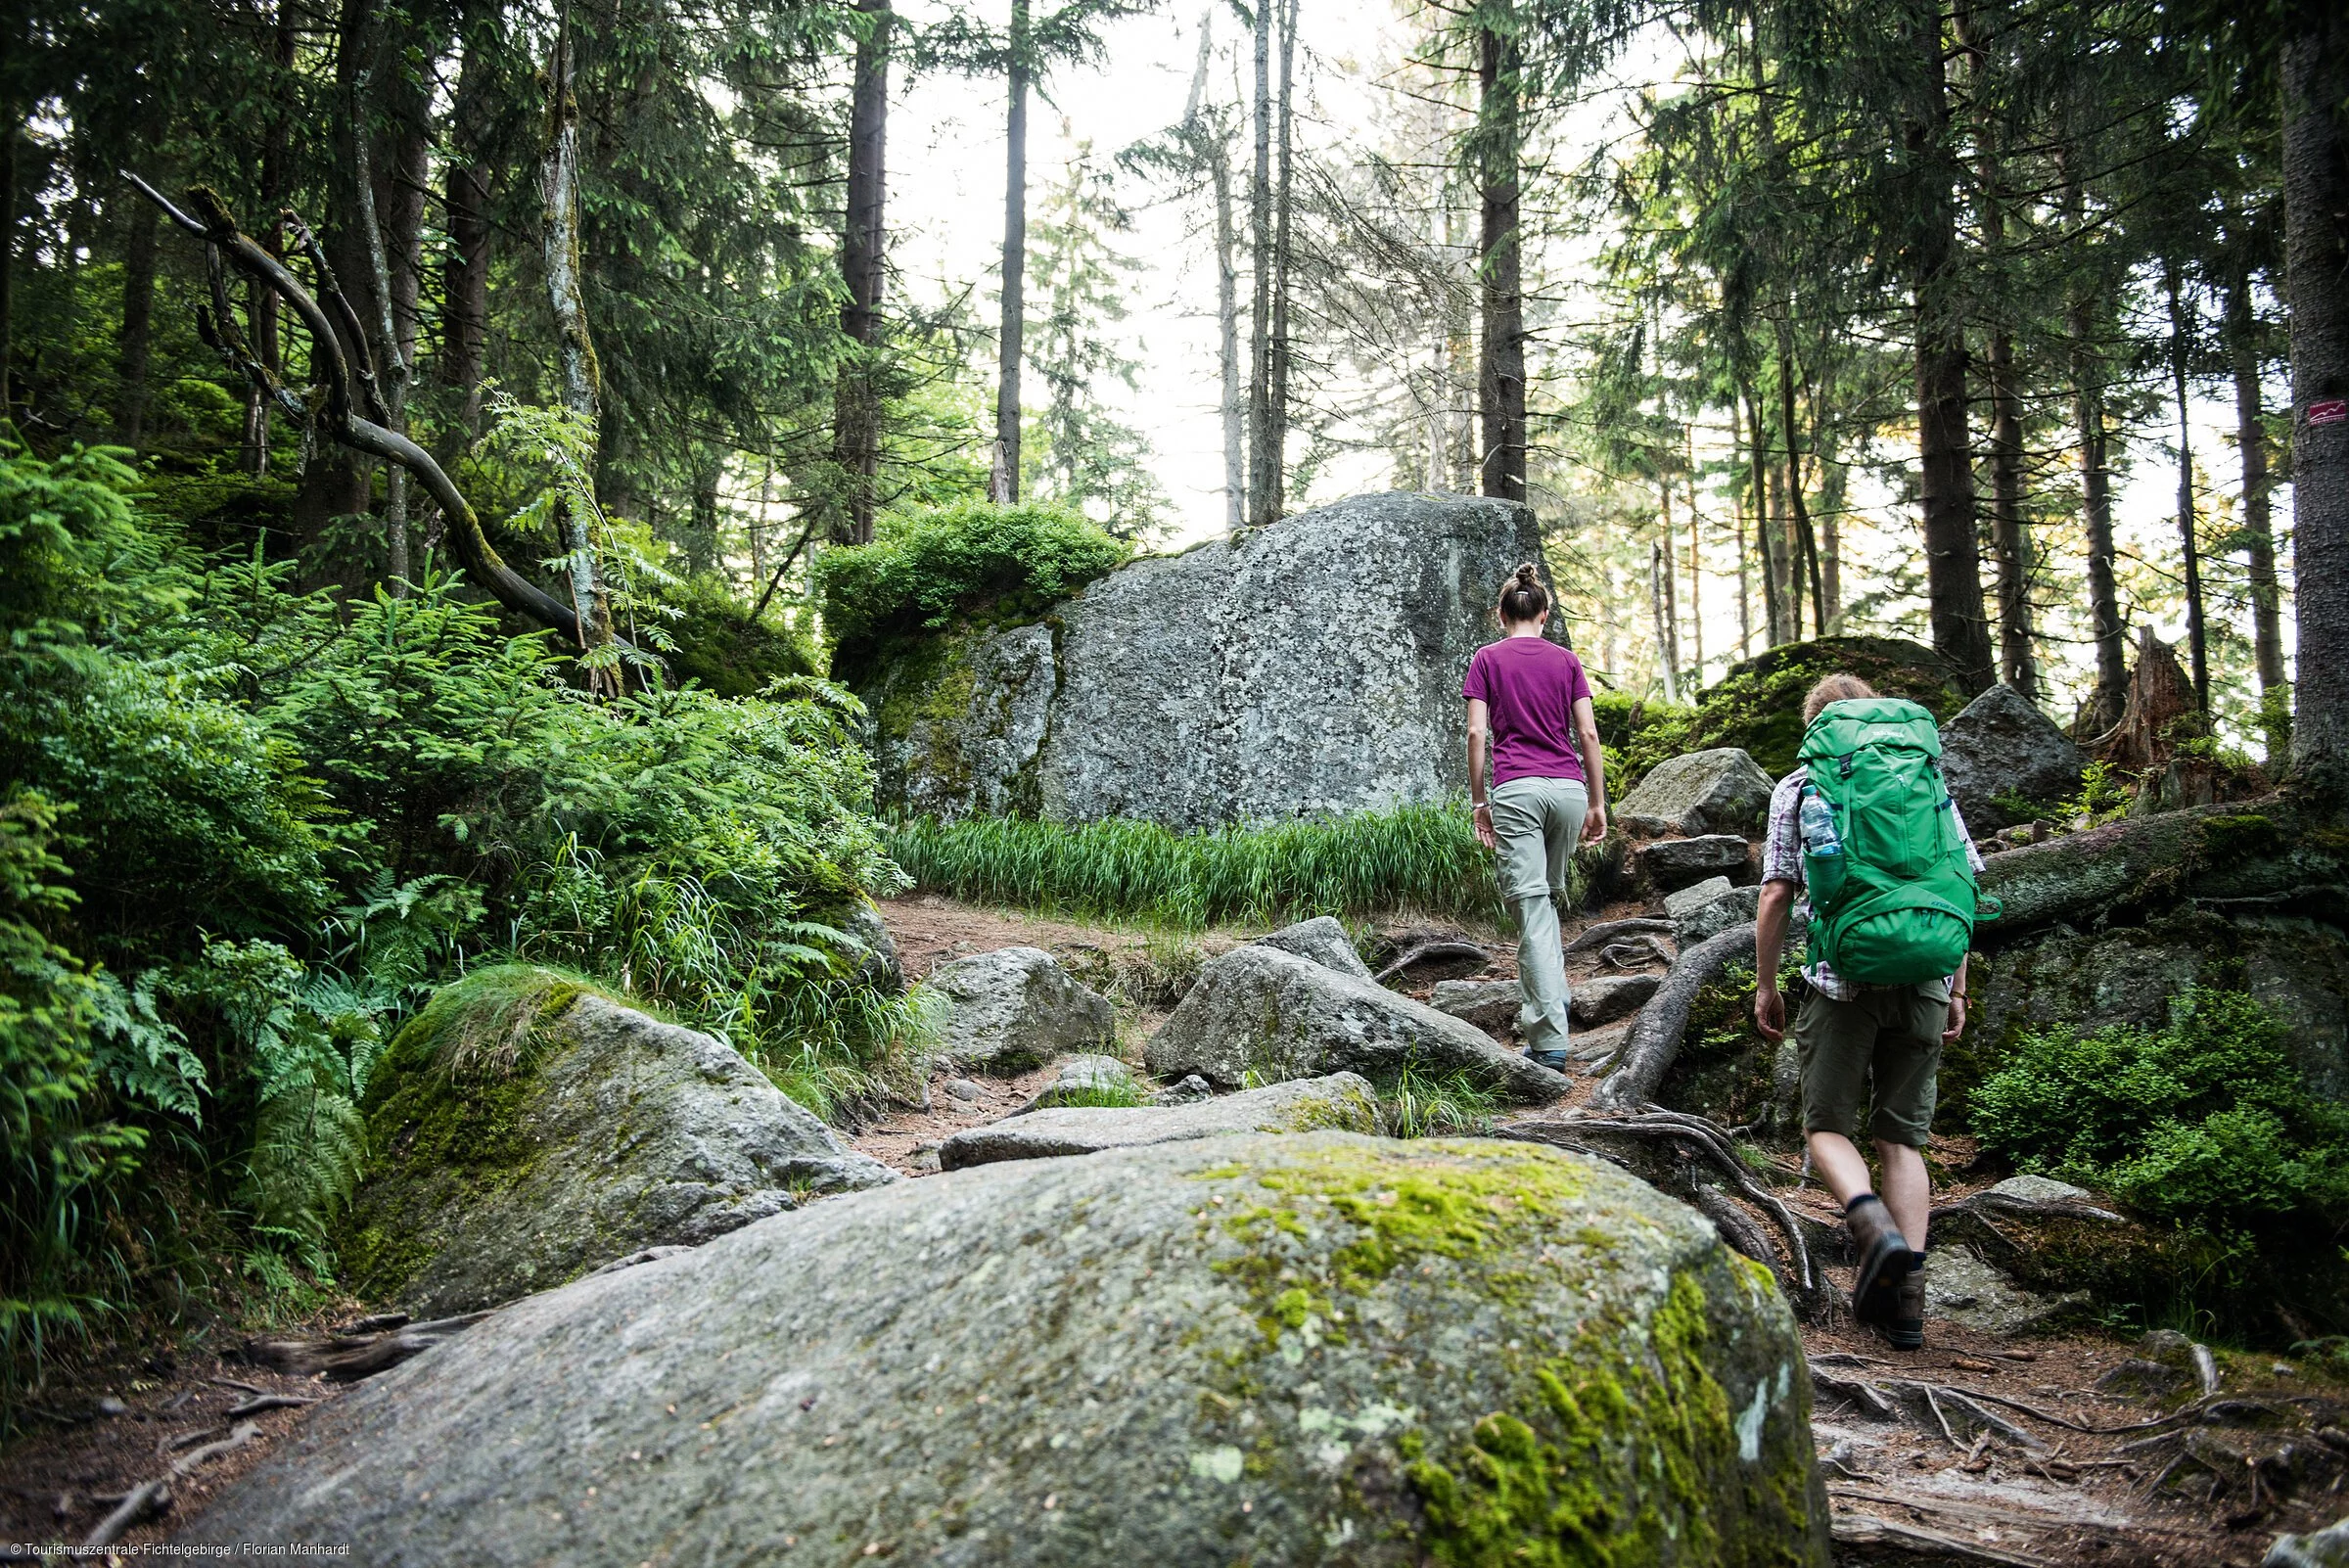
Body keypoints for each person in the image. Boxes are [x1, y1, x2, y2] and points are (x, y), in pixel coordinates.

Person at [1752, 672, 1984, 1351]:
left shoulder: (1799, 786)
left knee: (1825, 1126)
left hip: (1839, 980)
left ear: (1816, 727)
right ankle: (1906, 1305)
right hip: (1926, 978)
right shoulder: (1923, 779)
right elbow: (1961, 881)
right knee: (1903, 1139)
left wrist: (1766, 985)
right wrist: (1957, 986)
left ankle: (1870, 1224)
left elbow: (1775, 895)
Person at [1463, 564, 1609, 1073]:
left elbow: (1477, 735)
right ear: (1544, 614)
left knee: (1533, 914)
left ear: (1500, 614)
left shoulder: (1487, 659)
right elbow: (1588, 735)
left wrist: (1479, 801)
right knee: (1544, 905)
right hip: (1569, 790)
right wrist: (1597, 802)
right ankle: (1552, 1010)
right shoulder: (1566, 660)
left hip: (1518, 791)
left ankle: (1549, 1041)